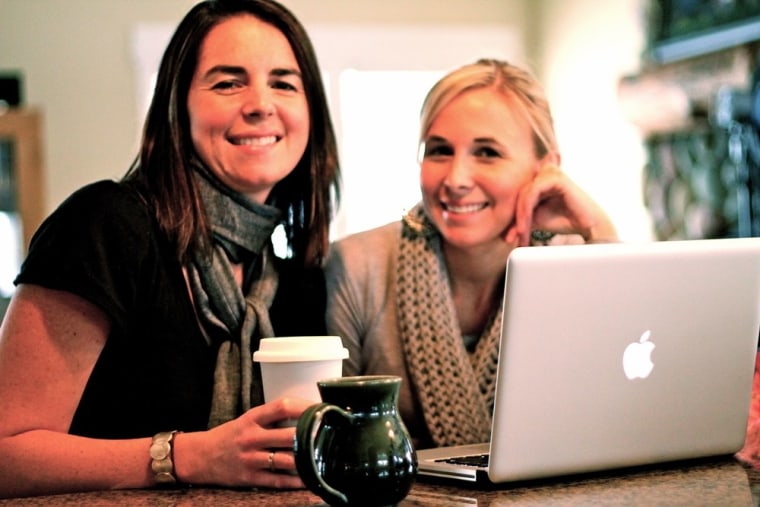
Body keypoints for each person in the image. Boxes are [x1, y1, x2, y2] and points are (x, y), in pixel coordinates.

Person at [0, 0, 339, 498]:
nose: (260, 104)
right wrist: (189, 455)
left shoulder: (294, 278)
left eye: (284, 83)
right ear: (177, 108)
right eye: (227, 82)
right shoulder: (106, 225)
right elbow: (5, 453)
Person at [325, 58, 618, 450]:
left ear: (546, 167)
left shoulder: (583, 263)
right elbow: (329, 441)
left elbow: (627, 410)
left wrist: (600, 231)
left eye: (487, 153)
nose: (456, 179)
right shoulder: (355, 268)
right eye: (439, 150)